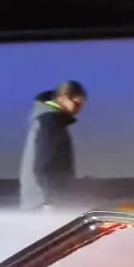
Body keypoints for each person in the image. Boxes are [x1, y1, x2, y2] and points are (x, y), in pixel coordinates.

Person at [19, 80, 87, 210]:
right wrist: (48, 202)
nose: (79, 109)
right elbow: (42, 163)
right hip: (43, 203)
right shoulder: (50, 121)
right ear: (63, 98)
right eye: (76, 103)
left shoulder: (51, 120)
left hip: (43, 200)